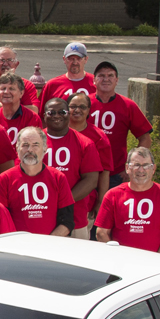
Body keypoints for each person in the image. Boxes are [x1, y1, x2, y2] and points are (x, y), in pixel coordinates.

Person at [94, 147, 160, 256]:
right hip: (120, 263)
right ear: (127, 168)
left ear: (154, 168)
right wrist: (117, 257)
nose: (141, 170)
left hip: (154, 264)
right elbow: (102, 232)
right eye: (136, 165)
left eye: (146, 165)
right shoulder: (113, 195)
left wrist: (158, 261)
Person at [40, 95, 106, 237]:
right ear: (44, 115)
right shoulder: (35, 142)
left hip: (76, 216)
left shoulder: (85, 143)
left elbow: (91, 180)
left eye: (62, 112)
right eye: (52, 112)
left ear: (68, 114)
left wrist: (61, 202)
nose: (57, 116)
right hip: (40, 214)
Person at [0, 128, 75, 237]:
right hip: (17, 247)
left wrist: (47, 244)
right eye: (25, 145)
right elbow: (0, 220)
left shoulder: (58, 178)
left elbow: (67, 221)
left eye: (35, 145)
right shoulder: (5, 179)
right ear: (17, 148)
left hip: (50, 248)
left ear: (45, 148)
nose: (30, 150)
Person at [87, 61, 153, 187]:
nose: (106, 79)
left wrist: (132, 166)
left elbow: (145, 138)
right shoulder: (84, 103)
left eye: (110, 75)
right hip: (86, 171)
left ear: (117, 80)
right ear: (94, 80)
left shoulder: (128, 105)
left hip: (116, 173)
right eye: (101, 76)